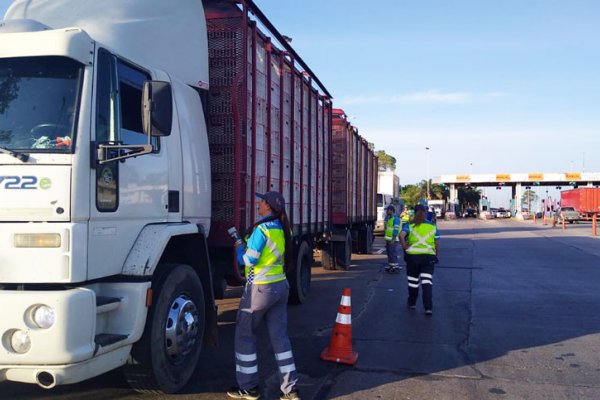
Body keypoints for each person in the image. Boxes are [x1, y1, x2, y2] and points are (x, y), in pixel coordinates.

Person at [227, 192, 300, 400]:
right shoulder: (284, 229)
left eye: (261, 201)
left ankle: (248, 388)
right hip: (280, 288)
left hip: (259, 290)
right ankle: (290, 390)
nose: (258, 203)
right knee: (280, 339)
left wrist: (240, 247)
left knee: (244, 335)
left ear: (268, 206)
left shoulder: (261, 229)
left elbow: (248, 261)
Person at [399, 204, 440, 315]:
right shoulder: (432, 226)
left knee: (413, 283)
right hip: (428, 258)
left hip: (412, 258)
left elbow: (401, 235)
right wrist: (437, 255)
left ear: (414, 212)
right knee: (427, 283)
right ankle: (428, 308)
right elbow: (436, 242)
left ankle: (412, 303)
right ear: (426, 212)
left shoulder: (409, 225)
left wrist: (404, 246)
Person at [384, 205, 401, 272]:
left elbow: (395, 230)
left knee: (393, 253)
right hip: (389, 239)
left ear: (391, 210)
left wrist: (393, 239)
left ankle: (395, 267)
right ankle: (391, 266)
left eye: (387, 210)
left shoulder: (395, 219)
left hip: (393, 240)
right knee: (389, 253)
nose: (386, 212)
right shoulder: (390, 218)